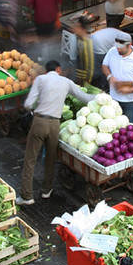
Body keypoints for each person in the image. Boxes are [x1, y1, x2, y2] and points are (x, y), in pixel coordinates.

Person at [17, 61, 95, 205]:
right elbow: (84, 97)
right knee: (51, 159)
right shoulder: (66, 82)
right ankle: (46, 190)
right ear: (58, 69)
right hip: (55, 125)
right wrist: (102, 96)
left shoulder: (40, 79)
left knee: (30, 160)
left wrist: (33, 109)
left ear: (47, 71)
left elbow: (28, 104)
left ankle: (26, 196)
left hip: (40, 122)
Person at [102, 32, 133, 123]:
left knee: (128, 126)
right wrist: (110, 77)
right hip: (113, 98)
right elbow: (104, 66)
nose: (118, 49)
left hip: (129, 101)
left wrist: (131, 89)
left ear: (129, 45)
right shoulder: (112, 51)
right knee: (113, 125)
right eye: (117, 47)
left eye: (121, 47)